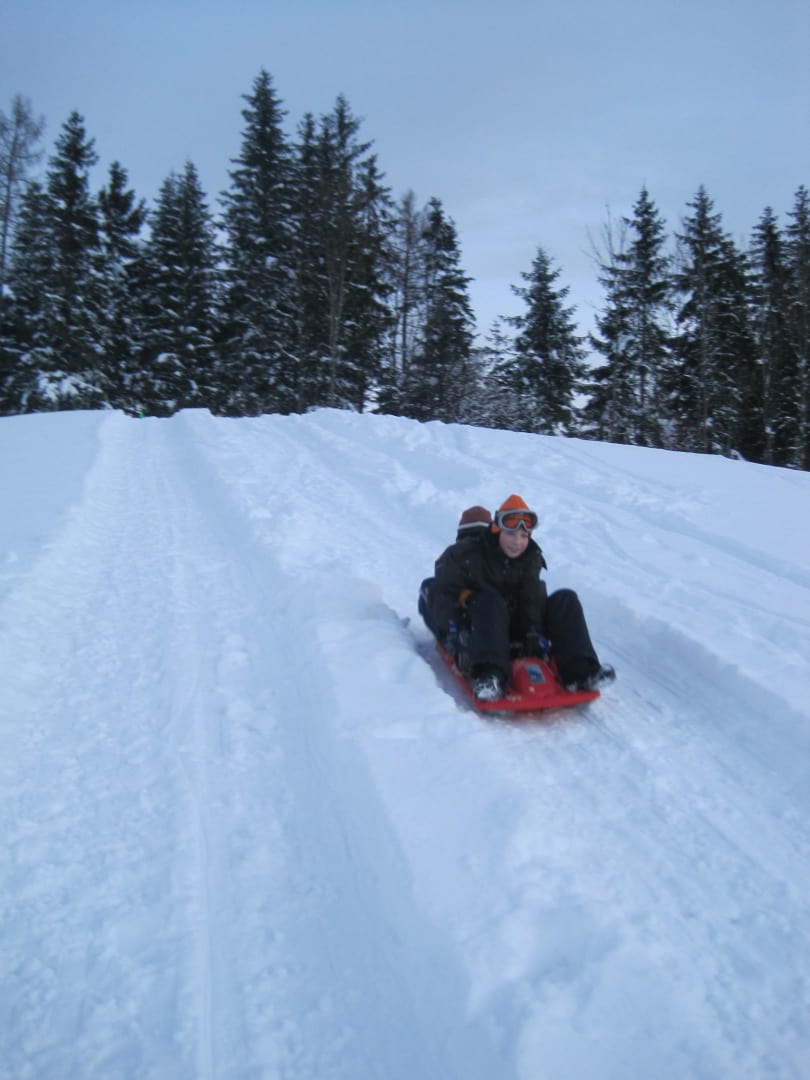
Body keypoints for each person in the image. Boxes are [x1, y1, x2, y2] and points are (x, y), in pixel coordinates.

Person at [419, 494, 615, 701]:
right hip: (479, 631)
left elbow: (532, 598)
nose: (517, 542)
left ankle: (581, 671)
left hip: (514, 626)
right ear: (497, 529)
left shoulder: (530, 557)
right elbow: (442, 595)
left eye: (523, 536)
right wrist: (453, 632)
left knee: (565, 599)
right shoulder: (464, 555)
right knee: (490, 600)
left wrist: (533, 633)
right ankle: (489, 676)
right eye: (511, 534)